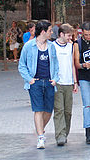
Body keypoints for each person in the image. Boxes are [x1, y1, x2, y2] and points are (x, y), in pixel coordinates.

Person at [18, 21, 59, 149]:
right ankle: (41, 137)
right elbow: (22, 65)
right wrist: (29, 79)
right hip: (35, 82)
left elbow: (56, 65)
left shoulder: (51, 46)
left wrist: (55, 78)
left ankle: (39, 128)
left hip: (49, 82)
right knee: (38, 109)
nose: (51, 33)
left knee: (48, 110)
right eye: (50, 30)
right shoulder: (29, 46)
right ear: (43, 31)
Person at [53, 24, 78, 146]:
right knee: (59, 110)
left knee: (68, 111)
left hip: (68, 82)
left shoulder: (71, 46)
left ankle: (65, 133)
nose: (70, 38)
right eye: (69, 36)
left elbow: (72, 64)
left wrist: (75, 81)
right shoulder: (52, 46)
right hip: (57, 82)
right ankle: (60, 135)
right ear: (61, 34)